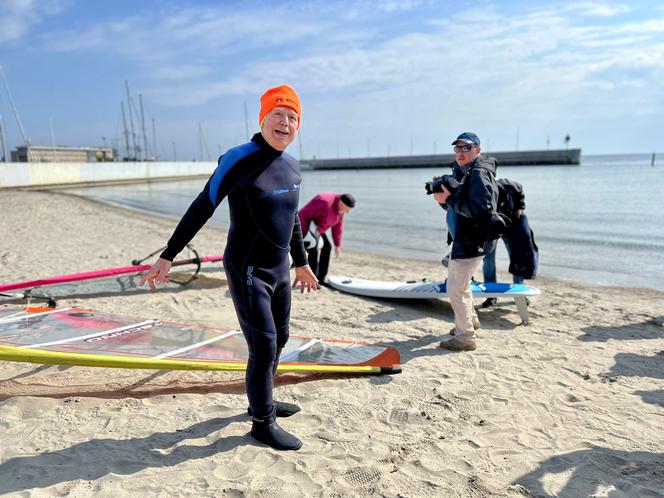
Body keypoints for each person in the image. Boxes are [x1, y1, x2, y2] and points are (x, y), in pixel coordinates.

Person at [139, 84, 318, 451]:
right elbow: (203, 204)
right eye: (277, 115)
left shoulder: (292, 166)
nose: (284, 122)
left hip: (280, 270)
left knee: (280, 339)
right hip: (248, 268)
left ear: (298, 124)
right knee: (264, 343)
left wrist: (301, 263)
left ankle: (262, 399)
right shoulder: (238, 159)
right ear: (263, 119)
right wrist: (168, 255)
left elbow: (293, 218)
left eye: (292, 117)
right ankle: (261, 423)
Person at [432, 132, 498, 352]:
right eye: (457, 148)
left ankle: (465, 337)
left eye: (466, 148)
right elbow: (461, 208)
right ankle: (470, 322)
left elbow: (481, 211)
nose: (461, 152)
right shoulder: (465, 171)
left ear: (477, 150)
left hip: (472, 240)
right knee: (463, 285)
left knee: (455, 289)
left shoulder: (478, 173)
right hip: (470, 238)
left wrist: (448, 198)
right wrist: (445, 200)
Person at [480, 179, 526, 308]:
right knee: (488, 262)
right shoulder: (483, 190)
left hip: (510, 227)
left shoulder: (512, 186)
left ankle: (520, 293)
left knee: (516, 259)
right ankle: (491, 296)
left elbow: (520, 188)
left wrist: (521, 207)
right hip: (491, 228)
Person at [298, 192, 356, 283]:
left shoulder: (341, 209)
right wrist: (303, 234)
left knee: (327, 247)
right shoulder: (324, 201)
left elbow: (338, 226)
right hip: (306, 226)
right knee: (314, 249)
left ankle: (321, 279)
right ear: (341, 203)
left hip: (318, 229)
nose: (347, 213)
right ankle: (312, 280)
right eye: (347, 210)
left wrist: (337, 244)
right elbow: (303, 214)